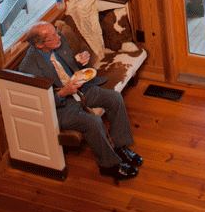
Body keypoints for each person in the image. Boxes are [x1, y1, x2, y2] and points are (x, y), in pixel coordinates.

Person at [19, 21, 142, 180]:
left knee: (114, 98)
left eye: (56, 32)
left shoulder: (58, 40)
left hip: (81, 88)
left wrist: (80, 61)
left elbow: (72, 65)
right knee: (93, 122)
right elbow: (39, 103)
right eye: (53, 36)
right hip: (61, 106)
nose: (58, 37)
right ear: (40, 45)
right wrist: (62, 93)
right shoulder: (28, 68)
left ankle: (120, 146)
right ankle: (109, 165)